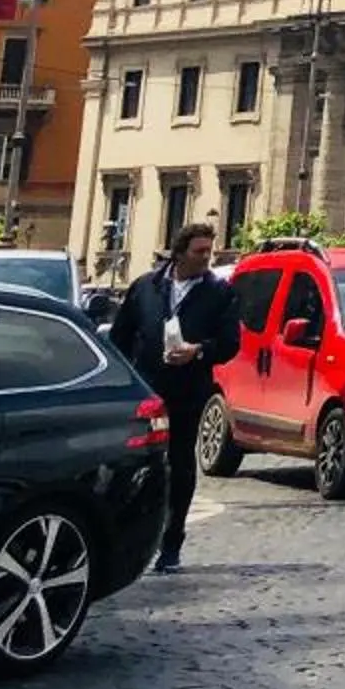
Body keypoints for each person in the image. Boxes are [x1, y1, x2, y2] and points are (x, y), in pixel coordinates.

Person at [107, 222, 241, 573]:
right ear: (179, 252)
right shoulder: (146, 287)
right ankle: (127, 538)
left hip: (188, 391)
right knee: (137, 464)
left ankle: (172, 541)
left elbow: (230, 343)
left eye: (209, 252)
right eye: (199, 251)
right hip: (146, 391)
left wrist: (198, 351)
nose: (206, 258)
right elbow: (121, 336)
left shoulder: (218, 292)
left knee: (181, 463)